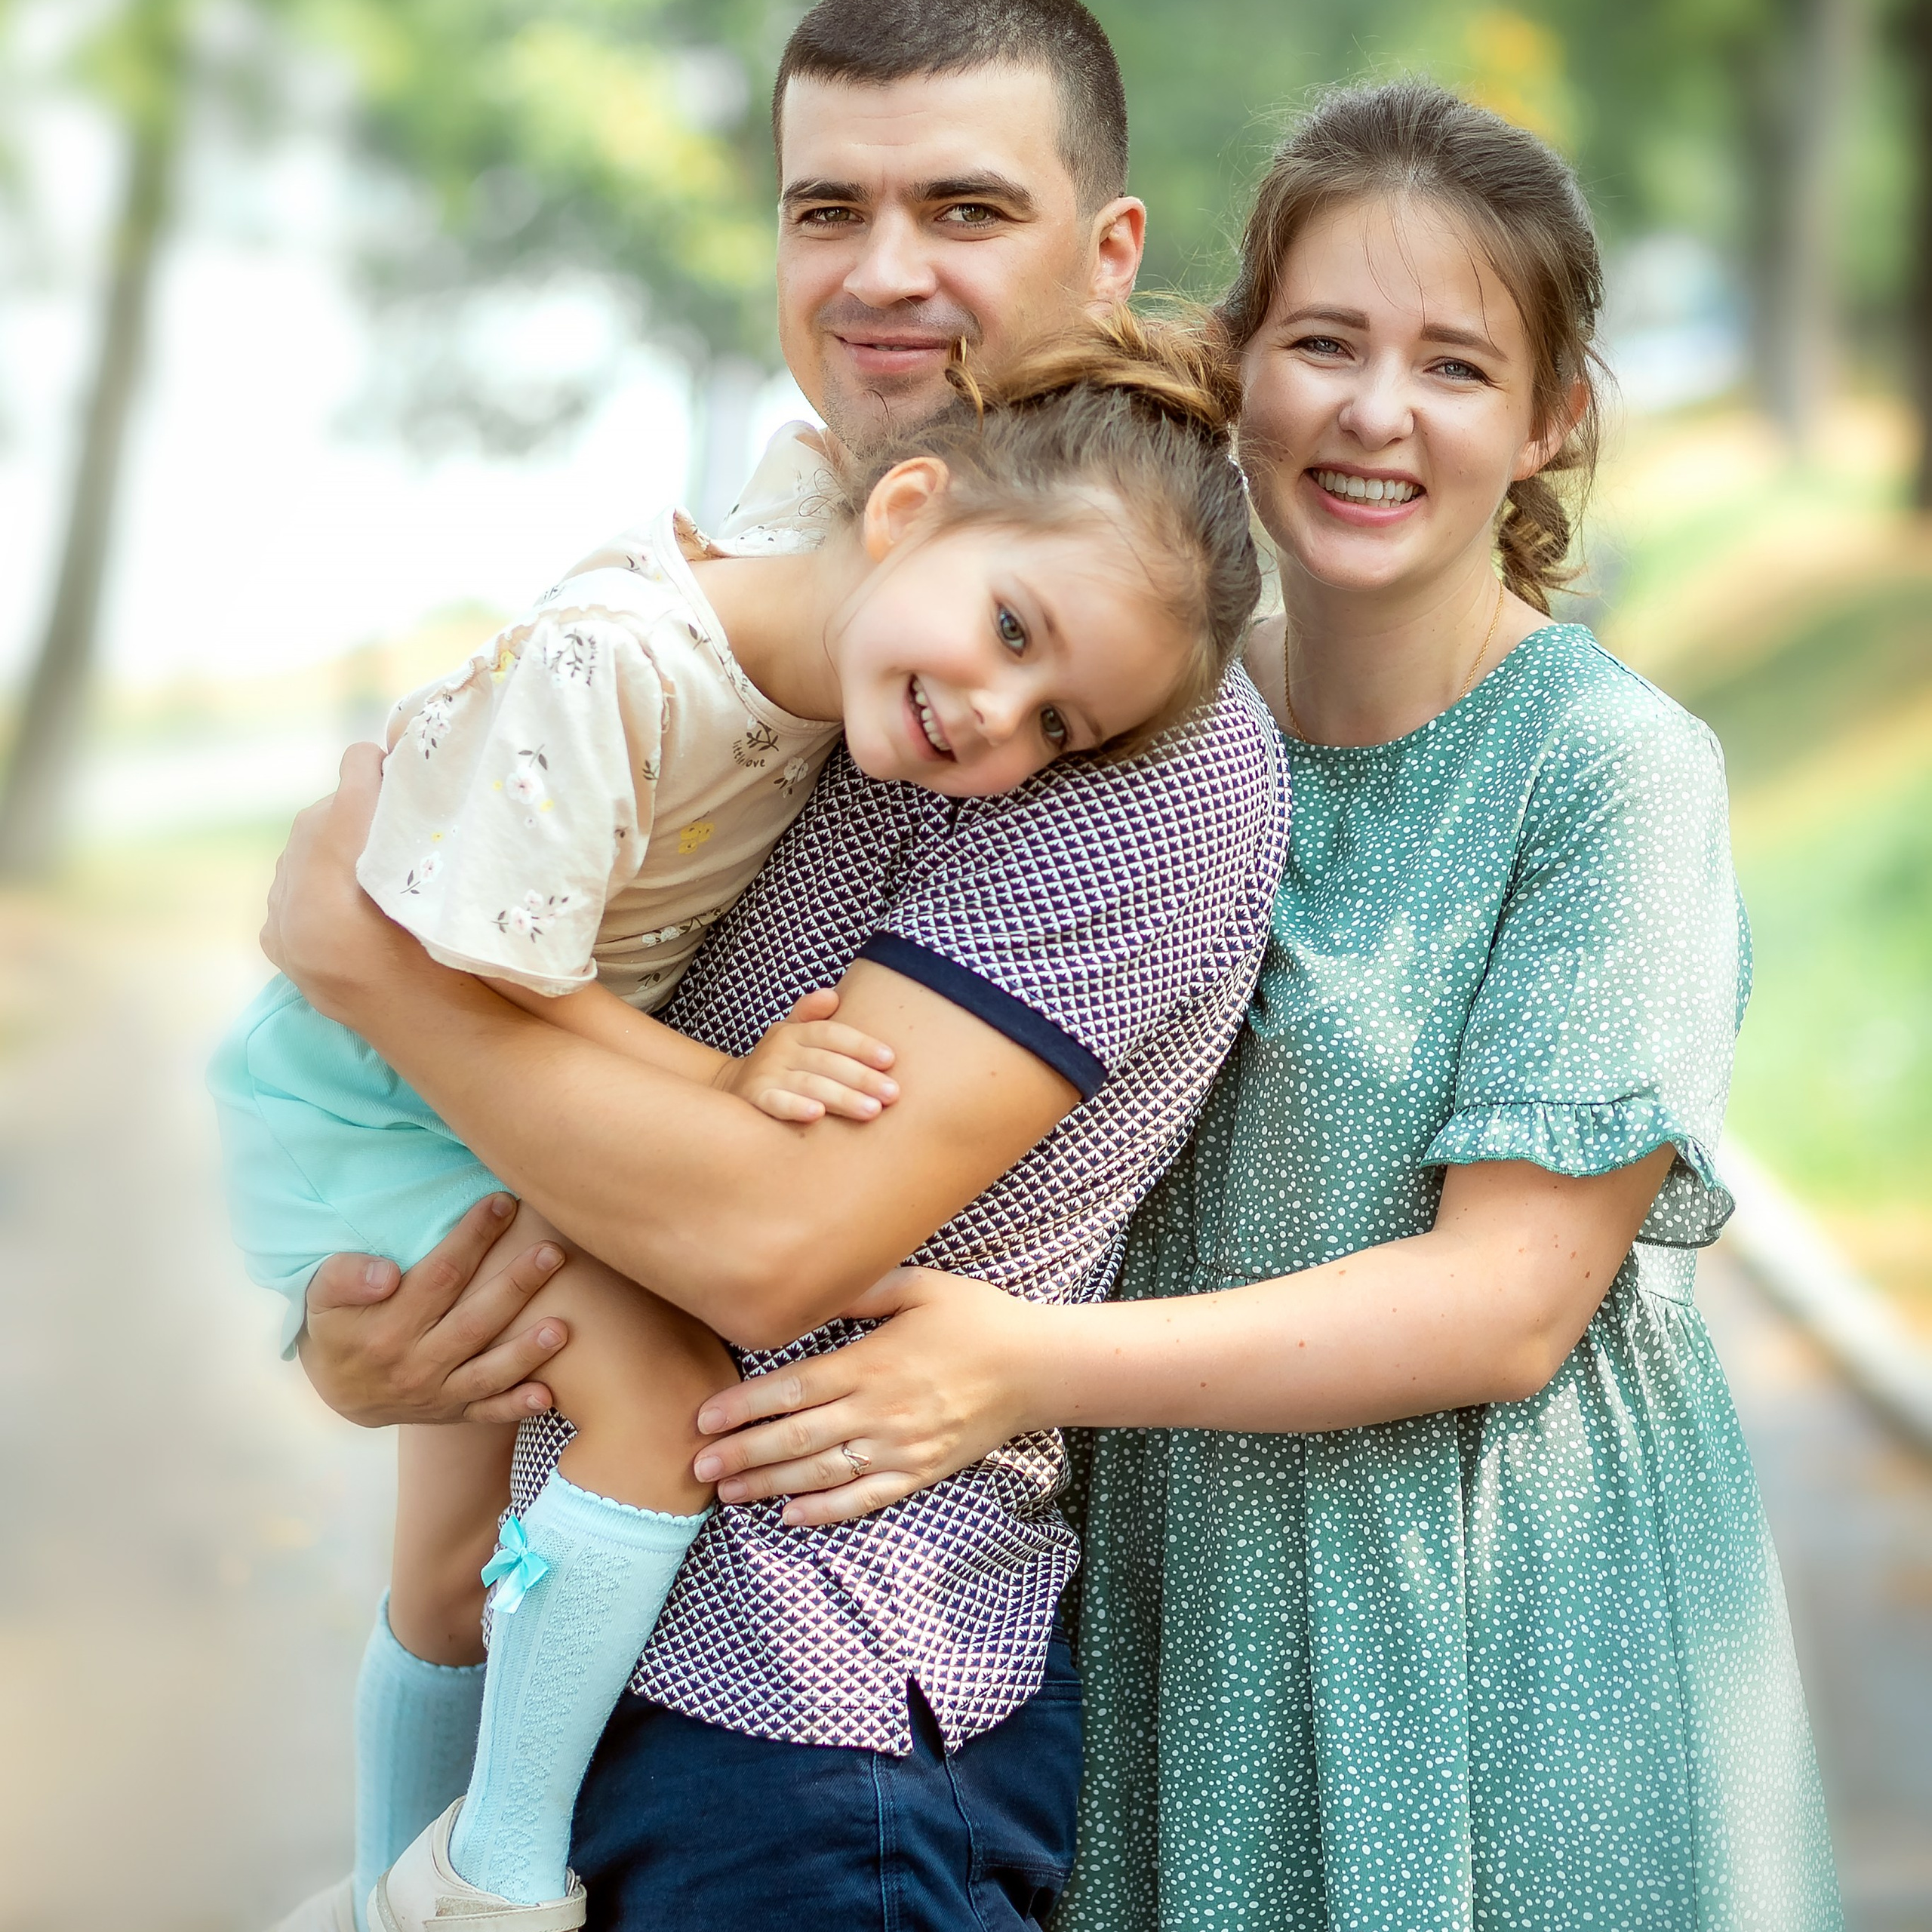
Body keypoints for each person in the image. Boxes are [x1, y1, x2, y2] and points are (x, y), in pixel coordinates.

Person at [695, 82, 1847, 1930]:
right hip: (1155, 1601)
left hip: (1492, 1607)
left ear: (1550, 420)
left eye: (1454, 365)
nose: (1373, 411)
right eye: (1321, 342)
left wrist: (1014, 1364)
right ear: (1239, 368)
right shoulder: (1121, 720)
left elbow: (1505, 1302)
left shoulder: (1607, 773)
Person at [256, 5, 1292, 1929]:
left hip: (815, 1715)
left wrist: (372, 968)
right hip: (587, 1622)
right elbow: (564, 1033)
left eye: (964, 205)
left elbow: (764, 1241)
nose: (884, 273)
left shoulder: (1136, 733)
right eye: (830, 206)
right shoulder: (783, 611)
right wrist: (379, 1328)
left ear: (1107, 252)